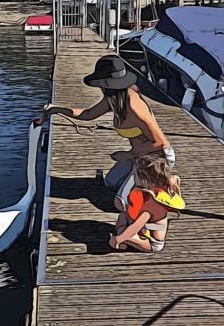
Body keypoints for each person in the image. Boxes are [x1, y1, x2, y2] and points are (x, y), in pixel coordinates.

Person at [35, 54, 175, 196]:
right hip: (139, 156)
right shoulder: (113, 99)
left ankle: (170, 179)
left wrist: (129, 154)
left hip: (157, 157)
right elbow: (87, 114)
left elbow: (162, 143)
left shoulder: (134, 107)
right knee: (110, 183)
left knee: (123, 199)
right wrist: (56, 109)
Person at [109, 156, 184, 253]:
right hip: (146, 229)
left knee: (124, 234)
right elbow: (174, 178)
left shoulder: (151, 204)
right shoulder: (157, 186)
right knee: (123, 216)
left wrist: (117, 239)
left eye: (134, 175)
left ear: (142, 179)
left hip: (152, 242)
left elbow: (135, 227)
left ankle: (122, 242)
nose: (133, 178)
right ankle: (124, 240)